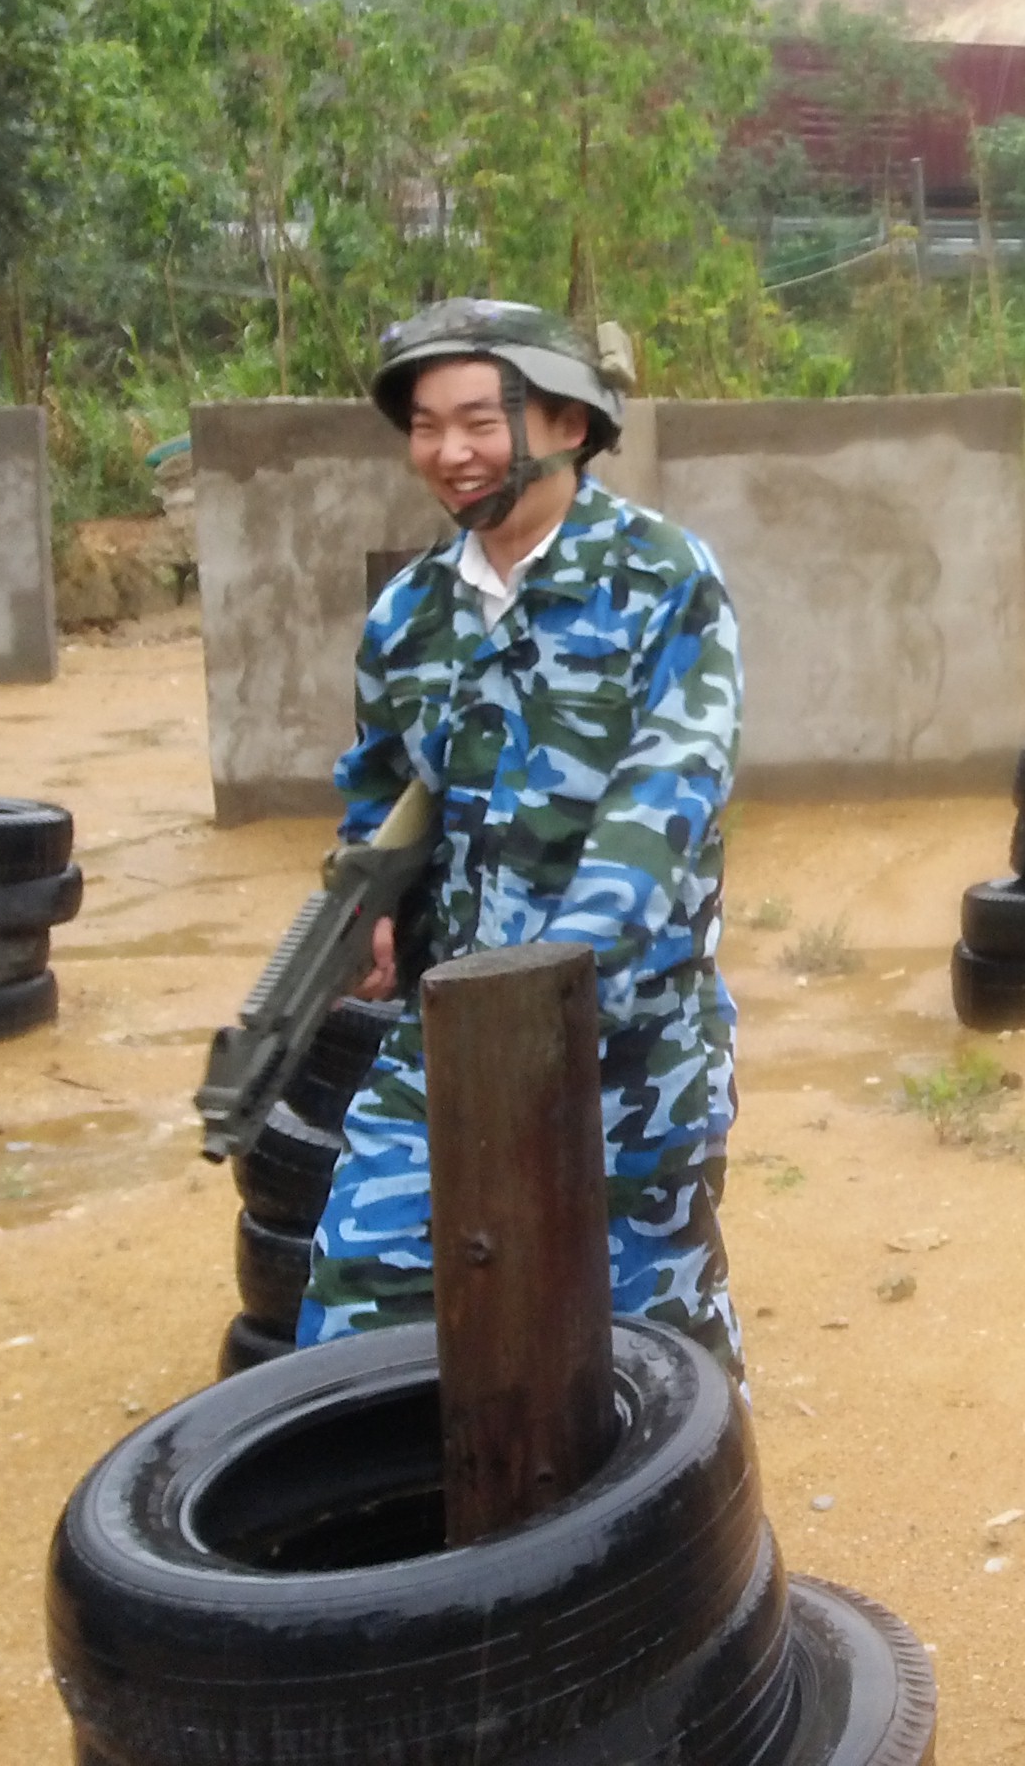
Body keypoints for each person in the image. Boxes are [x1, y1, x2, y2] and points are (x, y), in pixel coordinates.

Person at [300, 299, 749, 1379]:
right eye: (423, 425)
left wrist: (547, 971)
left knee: (657, 1351)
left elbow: (664, 802)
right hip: (447, 1040)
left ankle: (695, 1547)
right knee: (356, 1301)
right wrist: (367, 915)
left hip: (631, 1045)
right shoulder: (409, 615)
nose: (448, 453)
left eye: (477, 421)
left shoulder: (663, 581)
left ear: (567, 422)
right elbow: (379, 793)